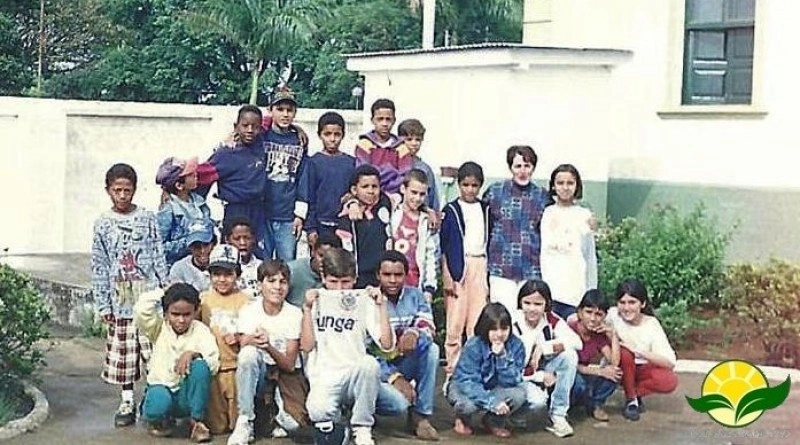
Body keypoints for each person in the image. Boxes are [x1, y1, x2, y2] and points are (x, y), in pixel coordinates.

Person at [91, 163, 168, 428]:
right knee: (125, 355)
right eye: (117, 190)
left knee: (153, 352)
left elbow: (157, 252)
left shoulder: (147, 218)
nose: (123, 196)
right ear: (108, 191)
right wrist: (103, 304)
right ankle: (127, 400)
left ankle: (155, 399)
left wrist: (164, 287)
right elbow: (100, 264)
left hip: (147, 299)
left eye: (127, 190)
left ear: (135, 190)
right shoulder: (102, 223)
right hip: (119, 301)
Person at [301, 248, 394, 445]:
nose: (340, 288)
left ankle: (362, 426)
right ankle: (341, 421)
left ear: (355, 278)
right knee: (318, 411)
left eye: (345, 282)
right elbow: (307, 347)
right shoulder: (316, 299)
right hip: (325, 377)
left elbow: (387, 345)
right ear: (323, 277)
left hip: (356, 376)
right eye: (333, 282)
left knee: (395, 401)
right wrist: (307, 310)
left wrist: (381, 306)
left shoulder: (364, 300)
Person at [228, 260, 309, 445]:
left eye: (283, 281)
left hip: (285, 374)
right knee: (248, 355)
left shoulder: (294, 314)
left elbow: (289, 364)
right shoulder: (249, 311)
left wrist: (268, 346)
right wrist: (251, 340)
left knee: (294, 425)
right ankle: (245, 420)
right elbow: (243, 343)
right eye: (271, 281)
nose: (277, 287)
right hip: (260, 373)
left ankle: (276, 415)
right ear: (259, 285)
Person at [134, 283, 219, 443]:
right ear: (166, 313)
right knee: (159, 404)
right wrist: (164, 292)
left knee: (201, 367)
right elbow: (141, 309)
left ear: (196, 311)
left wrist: (193, 354)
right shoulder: (158, 328)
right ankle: (157, 418)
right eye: (175, 314)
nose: (181, 320)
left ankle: (196, 422)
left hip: (185, 396)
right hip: (161, 389)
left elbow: (213, 363)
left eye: (187, 314)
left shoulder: (201, 331)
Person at [372, 251, 439, 441]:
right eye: (387, 275)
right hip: (381, 369)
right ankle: (365, 415)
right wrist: (394, 377)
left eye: (398, 275)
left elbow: (429, 326)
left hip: (406, 360)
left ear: (405, 275)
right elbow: (368, 351)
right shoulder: (370, 300)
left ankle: (421, 417)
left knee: (432, 350)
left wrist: (414, 332)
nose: (393, 280)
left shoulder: (416, 296)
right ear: (378, 275)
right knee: (398, 404)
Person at [484, 145, 551, 313]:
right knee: (502, 317)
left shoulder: (543, 196)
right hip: (501, 268)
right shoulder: (495, 192)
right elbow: (485, 226)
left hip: (531, 268)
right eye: (518, 166)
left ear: (533, 168)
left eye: (527, 166)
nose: (522, 171)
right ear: (510, 168)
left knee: (528, 318)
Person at [196, 105, 268, 259]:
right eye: (245, 126)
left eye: (255, 127)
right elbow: (203, 176)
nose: (250, 130)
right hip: (235, 209)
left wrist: (297, 129)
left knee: (256, 252)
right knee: (231, 252)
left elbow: (275, 121)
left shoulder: (261, 144)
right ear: (236, 127)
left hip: (258, 209)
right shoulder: (226, 154)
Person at [446, 303, 528, 439]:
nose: (500, 334)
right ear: (485, 328)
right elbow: (468, 382)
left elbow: (513, 381)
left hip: (493, 387)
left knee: (519, 394)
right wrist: (491, 402)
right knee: (468, 406)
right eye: (494, 330)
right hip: (464, 387)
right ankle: (462, 419)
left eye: (504, 328)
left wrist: (502, 357)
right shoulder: (474, 345)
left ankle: (492, 421)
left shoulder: (516, 345)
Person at [440, 161, 490, 380]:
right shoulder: (450, 210)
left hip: (480, 264)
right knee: (455, 321)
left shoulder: (486, 209)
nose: (470, 190)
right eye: (466, 185)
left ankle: (472, 369)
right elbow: (443, 245)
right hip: (459, 267)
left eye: (475, 185)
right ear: (459, 185)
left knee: (477, 321)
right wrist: (447, 275)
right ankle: (452, 368)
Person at [513, 280, 580, 438]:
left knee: (569, 356)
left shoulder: (551, 320)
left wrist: (544, 347)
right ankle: (512, 416)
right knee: (538, 401)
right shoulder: (512, 323)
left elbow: (577, 343)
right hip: (517, 376)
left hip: (540, 368)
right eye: (527, 303)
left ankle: (558, 414)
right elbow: (511, 369)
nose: (532, 308)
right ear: (520, 302)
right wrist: (541, 376)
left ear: (546, 304)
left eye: (538, 304)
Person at [607, 278, 678, 421]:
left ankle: (632, 394)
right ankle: (631, 401)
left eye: (632, 302)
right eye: (622, 302)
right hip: (619, 366)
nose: (626, 308)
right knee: (625, 353)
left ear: (643, 303)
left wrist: (638, 350)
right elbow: (586, 315)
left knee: (669, 380)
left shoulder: (651, 324)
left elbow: (670, 362)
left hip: (641, 368)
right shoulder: (612, 315)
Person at [198, 244, 250, 435]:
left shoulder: (246, 301)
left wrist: (239, 337)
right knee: (217, 426)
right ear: (210, 275)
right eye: (217, 274)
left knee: (237, 425)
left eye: (228, 274)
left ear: (237, 274)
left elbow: (251, 332)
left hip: (237, 367)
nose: (222, 279)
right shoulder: (202, 300)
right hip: (214, 367)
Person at [540, 164, 598, 320]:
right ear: (553, 186)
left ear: (577, 185)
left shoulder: (584, 215)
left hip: (575, 292)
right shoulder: (547, 212)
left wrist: (591, 291)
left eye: (570, 183)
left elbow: (589, 256)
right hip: (549, 289)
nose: (565, 188)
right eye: (560, 183)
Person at [263, 86, 309, 261]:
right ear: (270, 110)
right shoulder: (261, 136)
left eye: (289, 110)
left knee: (287, 263)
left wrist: (299, 215)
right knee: (263, 263)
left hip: (287, 215)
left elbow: (303, 178)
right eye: (280, 109)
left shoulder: (299, 141)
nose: (285, 114)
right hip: (262, 213)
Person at [301, 111, 356, 245]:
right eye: (327, 134)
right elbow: (308, 196)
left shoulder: (351, 163)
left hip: (344, 224)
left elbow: (356, 190)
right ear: (320, 135)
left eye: (337, 134)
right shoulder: (313, 163)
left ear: (343, 135)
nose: (332, 139)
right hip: (320, 225)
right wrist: (310, 228)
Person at [336, 164, 393, 288]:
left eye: (375, 186)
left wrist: (427, 210)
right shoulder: (348, 215)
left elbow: (409, 201)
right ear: (354, 190)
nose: (371, 191)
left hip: (383, 274)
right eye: (365, 186)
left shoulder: (385, 204)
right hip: (358, 275)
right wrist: (351, 202)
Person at [567, 289, 621, 422]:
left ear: (604, 316)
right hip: (567, 374)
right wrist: (600, 371)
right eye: (588, 312)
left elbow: (614, 362)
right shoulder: (569, 329)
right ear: (579, 312)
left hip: (585, 373)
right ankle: (568, 406)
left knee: (616, 373)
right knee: (578, 384)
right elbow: (570, 365)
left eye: (598, 314)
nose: (592, 318)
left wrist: (613, 335)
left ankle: (595, 405)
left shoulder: (598, 334)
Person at [390, 169, 439, 301]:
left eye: (422, 194)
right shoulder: (392, 212)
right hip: (390, 282)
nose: (417, 198)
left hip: (414, 284)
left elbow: (430, 255)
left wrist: (429, 287)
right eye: (413, 192)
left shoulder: (425, 221)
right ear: (403, 189)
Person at [155, 156, 212, 267]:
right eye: (191, 175)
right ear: (179, 185)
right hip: (181, 265)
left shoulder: (199, 202)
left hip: (203, 262)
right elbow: (160, 247)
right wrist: (191, 242)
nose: (196, 175)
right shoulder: (168, 210)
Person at [354, 98, 412, 197]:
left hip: (394, 196)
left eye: (388, 119)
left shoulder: (402, 147)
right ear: (372, 120)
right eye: (380, 119)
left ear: (394, 121)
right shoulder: (364, 144)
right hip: (369, 195)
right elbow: (363, 174)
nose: (384, 124)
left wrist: (379, 175)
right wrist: (392, 171)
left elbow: (404, 176)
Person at [286, 232, 342, 308]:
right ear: (313, 252)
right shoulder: (292, 270)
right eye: (321, 256)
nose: (324, 261)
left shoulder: (343, 276)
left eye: (330, 257)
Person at [397, 119, 440, 212]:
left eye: (418, 140)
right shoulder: (393, 164)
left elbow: (433, 199)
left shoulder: (425, 169)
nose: (414, 143)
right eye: (409, 139)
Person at [168, 220, 216, 293]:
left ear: (213, 244)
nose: (202, 251)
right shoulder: (179, 268)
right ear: (189, 247)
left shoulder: (222, 263)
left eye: (206, 245)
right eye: (196, 246)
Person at [223, 217, 263, 300]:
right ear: (227, 240)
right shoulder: (221, 268)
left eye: (247, 238)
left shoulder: (262, 267)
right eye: (237, 239)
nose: (243, 243)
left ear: (253, 239)